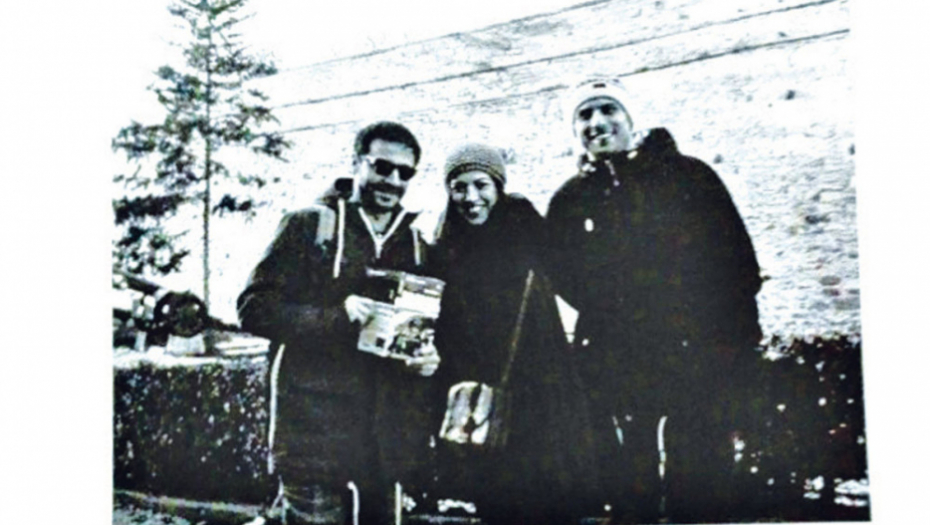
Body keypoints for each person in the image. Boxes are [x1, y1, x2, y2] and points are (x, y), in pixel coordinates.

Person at [546, 78, 763, 523]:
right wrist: (607, 316)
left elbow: (739, 264)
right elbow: (562, 274)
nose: (596, 122)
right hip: (619, 359)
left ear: (632, 120)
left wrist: (728, 342)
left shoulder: (688, 176)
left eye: (608, 109)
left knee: (700, 477)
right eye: (584, 115)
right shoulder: (570, 200)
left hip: (695, 351)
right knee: (630, 482)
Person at [238, 121, 440, 525]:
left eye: (405, 173)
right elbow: (253, 308)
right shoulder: (309, 225)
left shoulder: (416, 244)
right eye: (382, 167)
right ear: (356, 163)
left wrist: (427, 359)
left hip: (384, 446)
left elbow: (426, 332)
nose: (393, 180)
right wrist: (336, 317)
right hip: (313, 436)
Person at [430, 144, 599, 525]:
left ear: (498, 186)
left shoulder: (524, 226)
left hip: (537, 381)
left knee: (548, 487)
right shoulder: (445, 245)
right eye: (459, 187)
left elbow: (575, 272)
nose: (470, 198)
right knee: (495, 493)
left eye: (480, 185)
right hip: (476, 388)